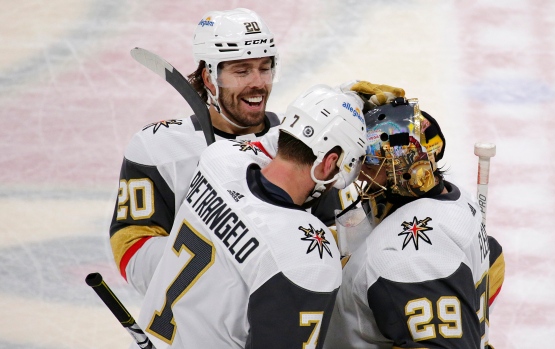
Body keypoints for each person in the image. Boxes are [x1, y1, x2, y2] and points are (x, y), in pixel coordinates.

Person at [109, 7, 405, 295]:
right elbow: (131, 252)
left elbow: (340, 245)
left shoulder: (303, 143)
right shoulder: (158, 147)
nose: (258, 83)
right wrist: (223, 257)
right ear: (209, 78)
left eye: (265, 68)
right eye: (242, 71)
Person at [132, 84, 367, 349]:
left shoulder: (219, 158)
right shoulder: (307, 256)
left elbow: (275, 141)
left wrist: (342, 103)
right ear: (329, 162)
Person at [323, 98, 505, 349]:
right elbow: (494, 259)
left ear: (411, 172)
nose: (363, 175)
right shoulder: (459, 201)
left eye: (375, 164)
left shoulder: (408, 258)